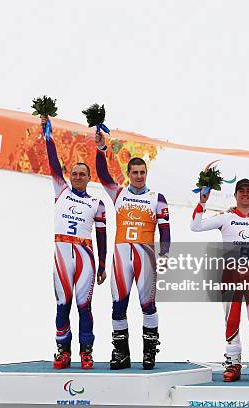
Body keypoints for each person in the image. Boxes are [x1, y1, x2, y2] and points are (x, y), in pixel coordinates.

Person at [191, 179, 249, 382]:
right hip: (230, 277)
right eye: (241, 191)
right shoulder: (226, 216)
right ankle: (233, 365)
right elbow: (195, 226)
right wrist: (202, 202)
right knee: (231, 321)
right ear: (235, 195)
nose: (245, 194)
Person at [94, 130, 170, 370]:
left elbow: (166, 232)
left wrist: (165, 254)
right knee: (119, 305)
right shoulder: (119, 193)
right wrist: (100, 149)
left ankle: (149, 353)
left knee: (147, 305)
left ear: (146, 174)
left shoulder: (157, 197)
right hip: (120, 257)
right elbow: (103, 174)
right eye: (134, 172)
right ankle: (121, 354)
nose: (138, 176)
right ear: (128, 174)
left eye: (142, 172)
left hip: (145, 256)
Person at [41, 117, 108, 370]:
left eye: (82, 174)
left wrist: (102, 264)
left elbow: (102, 236)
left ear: (89, 178)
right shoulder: (61, 191)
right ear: (69, 177)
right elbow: (53, 163)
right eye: (75, 174)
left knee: (84, 307)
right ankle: (62, 351)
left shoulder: (96, 204)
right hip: (61, 255)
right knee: (62, 304)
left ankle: (86, 352)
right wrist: (47, 134)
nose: (78, 177)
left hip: (85, 257)